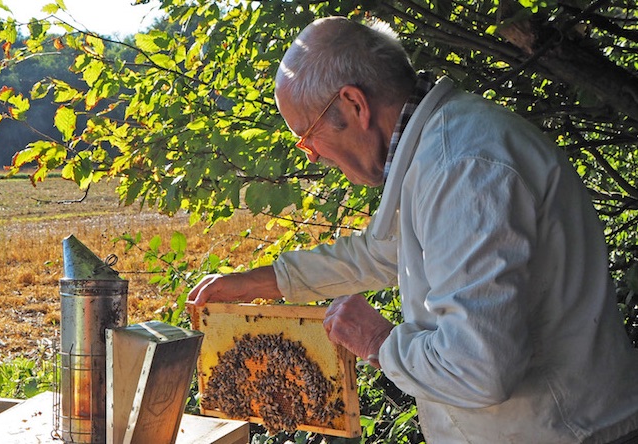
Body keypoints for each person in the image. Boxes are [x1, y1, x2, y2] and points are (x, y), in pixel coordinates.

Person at [187, 16, 638, 443]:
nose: (312, 155)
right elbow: (382, 253)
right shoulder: (440, 152)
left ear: (354, 104)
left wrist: (378, 342)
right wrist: (261, 282)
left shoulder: (463, 168)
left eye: (307, 135)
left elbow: (477, 370)